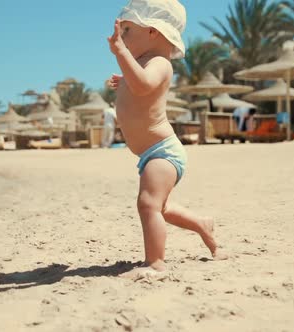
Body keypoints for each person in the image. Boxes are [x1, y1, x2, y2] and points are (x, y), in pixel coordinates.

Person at [107, 0, 224, 279]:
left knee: (148, 204)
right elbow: (137, 86)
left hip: (163, 152)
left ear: (153, 32)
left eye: (127, 30)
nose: (122, 37)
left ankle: (156, 263)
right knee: (161, 207)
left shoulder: (160, 63)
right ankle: (201, 224)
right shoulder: (143, 63)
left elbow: (145, 85)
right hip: (152, 153)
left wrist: (121, 54)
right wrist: (123, 79)